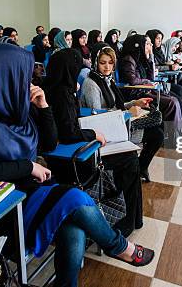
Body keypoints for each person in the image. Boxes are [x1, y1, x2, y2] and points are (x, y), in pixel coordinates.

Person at [0, 44, 154, 287]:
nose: (30, 83)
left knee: (74, 230)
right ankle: (119, 247)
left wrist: (43, 107)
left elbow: (47, 143)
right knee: (75, 198)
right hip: (2, 204)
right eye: (23, 77)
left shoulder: (14, 103)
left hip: (30, 187)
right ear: (4, 77)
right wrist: (28, 167)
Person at [44, 48, 144, 237]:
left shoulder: (61, 88)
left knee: (130, 158)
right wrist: (93, 134)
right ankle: (130, 218)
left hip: (76, 148)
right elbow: (68, 133)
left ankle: (133, 216)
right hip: (74, 160)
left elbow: (71, 123)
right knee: (130, 161)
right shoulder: (62, 93)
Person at [81, 43, 163, 182]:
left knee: (158, 124)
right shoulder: (91, 84)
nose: (107, 67)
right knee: (157, 134)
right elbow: (97, 117)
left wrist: (135, 103)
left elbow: (116, 106)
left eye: (111, 63)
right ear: (95, 62)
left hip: (118, 122)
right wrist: (127, 114)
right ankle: (140, 167)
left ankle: (141, 167)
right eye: (102, 63)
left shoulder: (106, 80)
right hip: (108, 131)